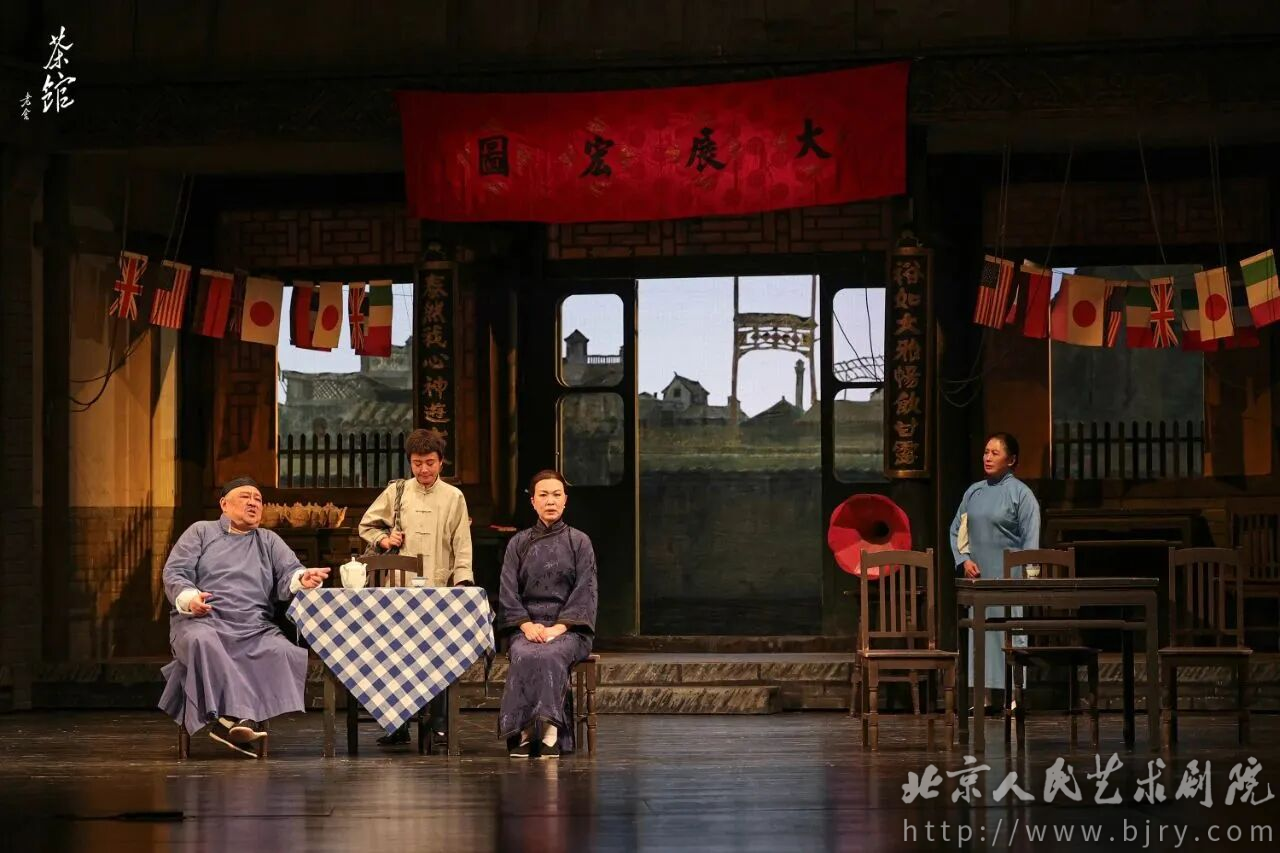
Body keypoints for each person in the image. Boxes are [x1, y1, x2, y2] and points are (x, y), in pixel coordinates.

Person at [158, 477, 329, 757]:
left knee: (282, 650)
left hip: (254, 626)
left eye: (258, 499)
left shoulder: (268, 540)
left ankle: (234, 721)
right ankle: (234, 720)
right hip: (203, 620)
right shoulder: (200, 532)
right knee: (203, 641)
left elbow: (290, 571)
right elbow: (175, 573)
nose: (253, 503)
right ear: (224, 504)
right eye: (245, 497)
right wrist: (190, 598)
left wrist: (302, 578)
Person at [358, 428, 473, 746]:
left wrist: (462, 581)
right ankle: (396, 724)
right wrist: (385, 539)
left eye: (430, 463)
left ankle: (438, 724)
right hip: (399, 587)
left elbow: (462, 543)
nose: (424, 469)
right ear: (410, 462)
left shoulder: (453, 497)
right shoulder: (397, 492)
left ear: (441, 462)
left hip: (438, 587)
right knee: (395, 655)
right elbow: (367, 525)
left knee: (439, 656)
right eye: (417, 463)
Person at [497, 470, 597, 759]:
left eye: (556, 495)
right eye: (543, 495)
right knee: (524, 653)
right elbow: (508, 590)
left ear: (565, 500)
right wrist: (526, 625)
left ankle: (551, 732)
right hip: (526, 626)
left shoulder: (579, 542)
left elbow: (586, 590)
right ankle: (526, 732)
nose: (550, 501)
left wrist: (558, 628)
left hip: (569, 628)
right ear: (533, 501)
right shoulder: (518, 543)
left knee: (551, 654)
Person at [949, 432, 1041, 710]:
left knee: (1011, 631)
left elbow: (1031, 540)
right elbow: (957, 530)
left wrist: (1029, 577)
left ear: (1011, 460)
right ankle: (984, 696)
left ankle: (1015, 696)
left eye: (995, 453)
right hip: (980, 577)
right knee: (981, 634)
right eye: (986, 452)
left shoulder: (1021, 494)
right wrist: (964, 560)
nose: (987, 457)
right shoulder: (973, 492)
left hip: (1009, 577)